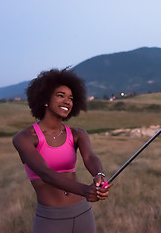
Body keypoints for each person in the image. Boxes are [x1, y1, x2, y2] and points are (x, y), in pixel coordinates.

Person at [13, 68, 112, 233]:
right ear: (45, 99)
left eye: (71, 98)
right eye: (60, 95)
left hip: (83, 213)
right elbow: (45, 173)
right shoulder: (24, 138)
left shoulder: (77, 133)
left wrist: (99, 175)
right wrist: (85, 190)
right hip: (50, 219)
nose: (67, 101)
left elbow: (90, 157)